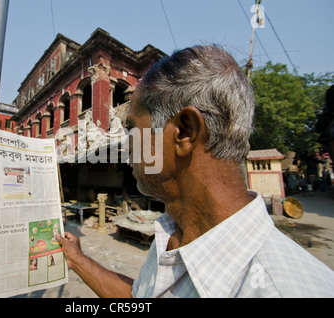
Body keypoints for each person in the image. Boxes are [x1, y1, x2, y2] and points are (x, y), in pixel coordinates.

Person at [56, 45, 334, 298]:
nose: (127, 144)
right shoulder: (174, 230)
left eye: (131, 129)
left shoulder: (278, 289)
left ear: (185, 132)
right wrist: (77, 259)